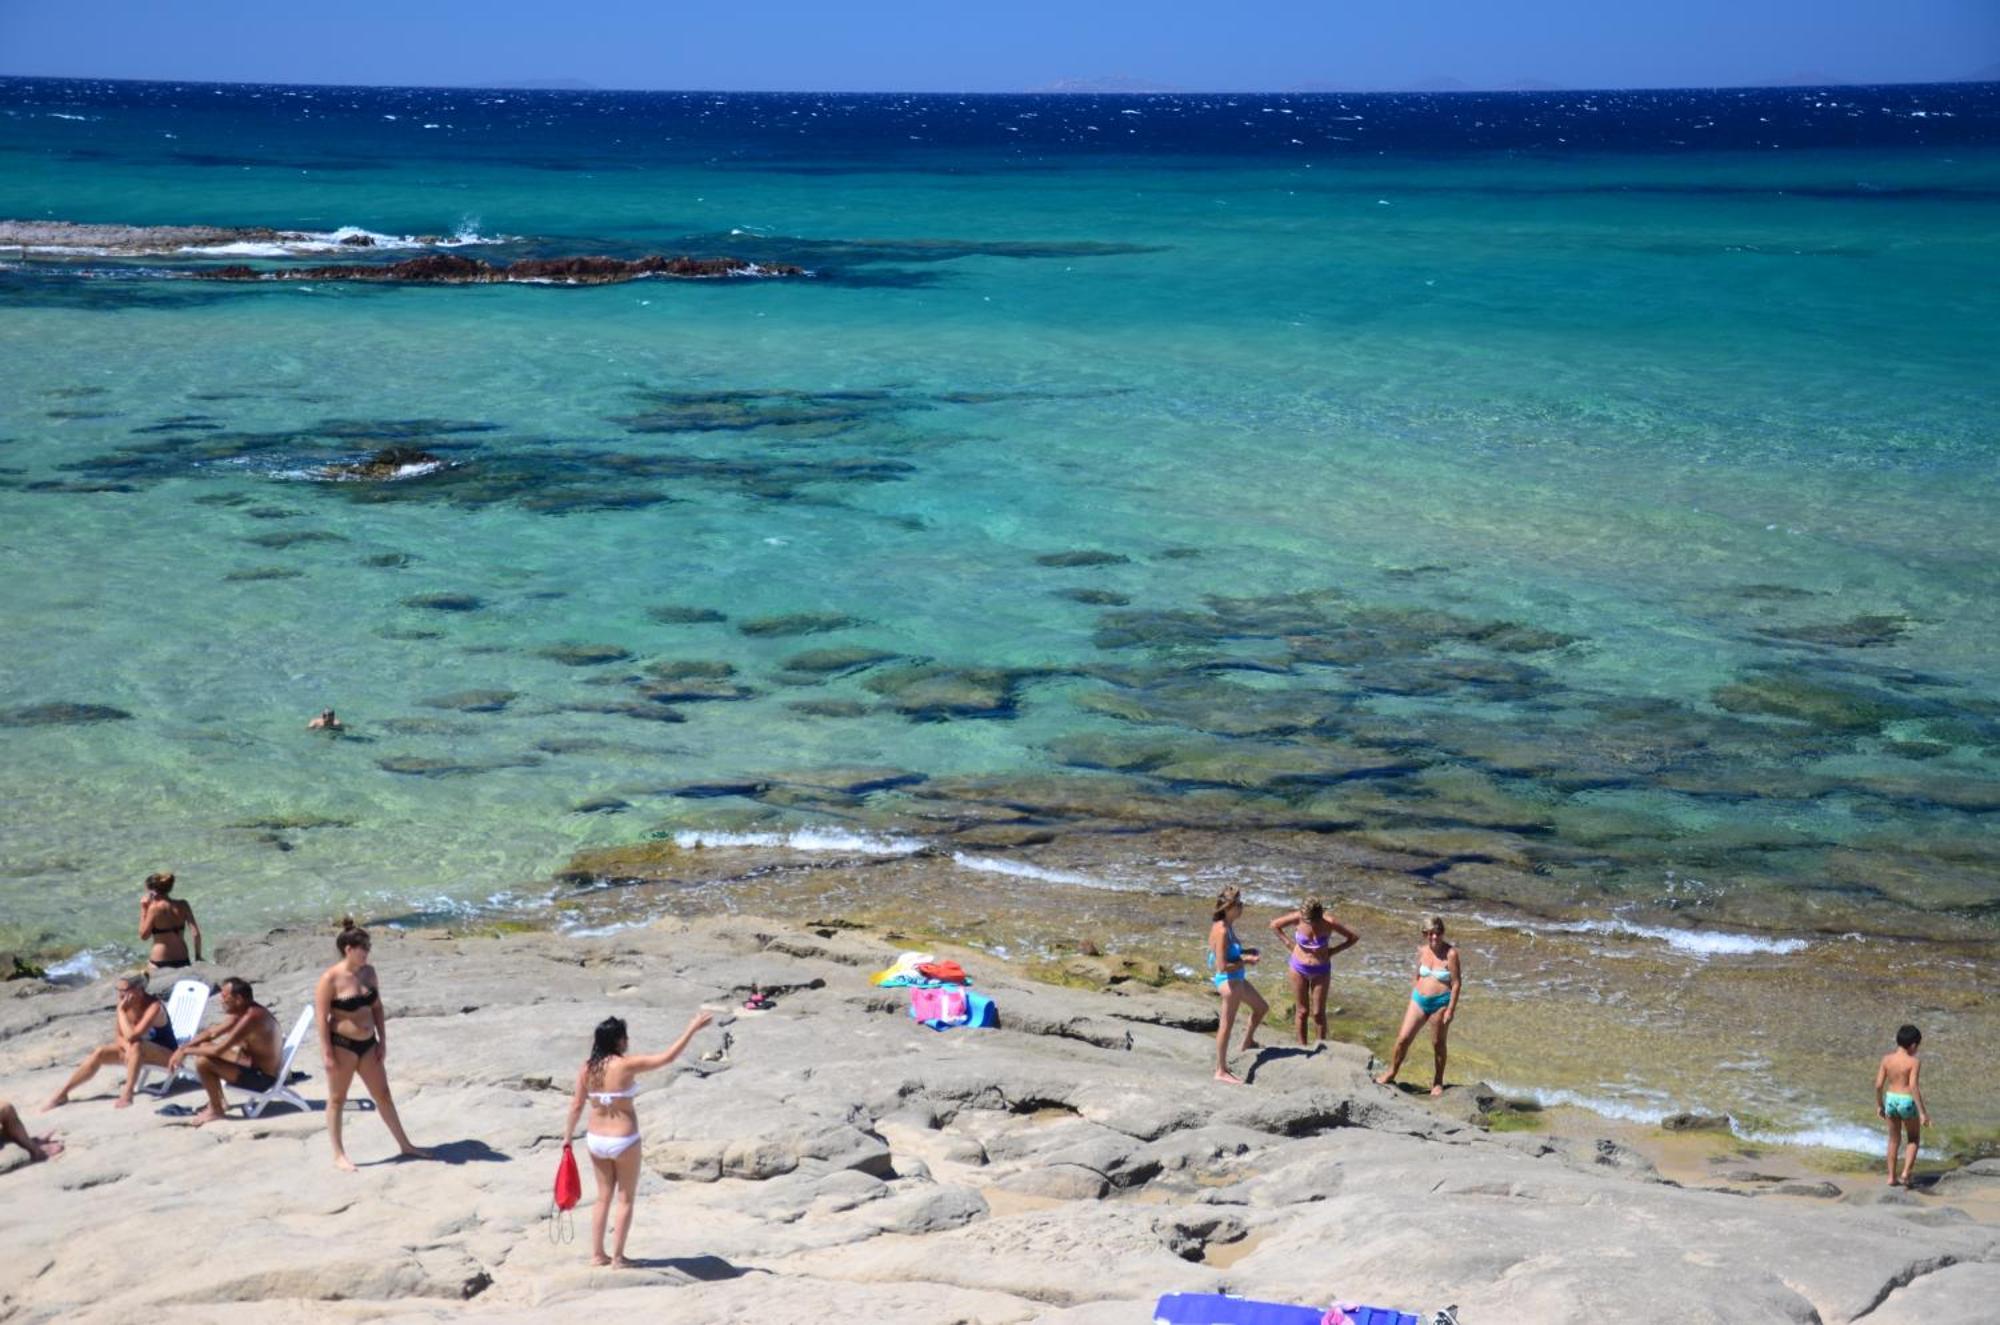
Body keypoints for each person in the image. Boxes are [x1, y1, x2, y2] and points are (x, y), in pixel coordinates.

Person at [562, 1011, 712, 1267]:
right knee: (625, 1198)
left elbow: (576, 1105)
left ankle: (597, 1255)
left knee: (602, 1198)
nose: (627, 1040)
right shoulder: (627, 1065)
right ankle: (618, 1258)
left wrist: (567, 1139)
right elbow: (668, 1057)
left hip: (596, 1139)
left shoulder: (587, 1069)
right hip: (624, 1139)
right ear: (618, 1041)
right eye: (625, 1037)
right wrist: (692, 1028)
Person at [314, 921, 429, 1170]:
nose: (367, 952)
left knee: (383, 1095)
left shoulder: (369, 973)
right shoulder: (330, 979)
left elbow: (377, 1007)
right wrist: (327, 1053)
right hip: (342, 1046)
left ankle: (405, 1145)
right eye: (363, 947)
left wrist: (382, 1040)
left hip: (368, 1045)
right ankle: (339, 1155)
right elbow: (321, 1019)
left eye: (368, 947)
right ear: (348, 949)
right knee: (337, 1099)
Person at [39, 973, 180, 1112]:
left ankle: (128, 1093)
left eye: (123, 990)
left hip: (169, 1056)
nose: (119, 995)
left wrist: (120, 1011)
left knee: (137, 1045)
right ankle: (63, 1093)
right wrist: (127, 1048)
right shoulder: (126, 1004)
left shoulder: (153, 1007)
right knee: (100, 1052)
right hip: (137, 1053)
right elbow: (119, 1037)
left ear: (139, 989)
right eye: (117, 990)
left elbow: (132, 1036)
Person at [168, 976, 280, 1126]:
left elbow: (219, 1050)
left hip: (262, 1079)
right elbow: (211, 1033)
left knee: (203, 1061)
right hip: (251, 1064)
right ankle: (219, 1101)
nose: (221, 1000)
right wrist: (182, 1048)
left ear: (238, 998)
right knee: (203, 1046)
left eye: (224, 997)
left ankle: (217, 1110)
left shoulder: (251, 1018)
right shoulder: (244, 1010)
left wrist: (186, 1051)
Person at [1375, 915, 1462, 1097]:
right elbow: (1417, 975)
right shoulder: (1422, 950)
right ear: (1424, 934)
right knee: (1403, 1039)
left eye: (1437, 933)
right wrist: (1414, 995)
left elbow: (1456, 983)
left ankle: (1438, 1081)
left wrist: (1451, 1010)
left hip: (1440, 1003)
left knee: (1438, 1043)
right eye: (1430, 934)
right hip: (1418, 1001)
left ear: (1442, 932)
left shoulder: (1451, 954)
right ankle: (1392, 1071)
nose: (1434, 937)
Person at [1270, 897, 1359, 1047]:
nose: (1309, 924)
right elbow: (1274, 925)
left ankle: (1320, 1047)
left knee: (1318, 1013)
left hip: (1321, 969)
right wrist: (1289, 944)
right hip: (1298, 968)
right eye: (1307, 920)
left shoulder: (1329, 922)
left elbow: (1353, 937)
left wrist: (1333, 951)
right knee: (1302, 1011)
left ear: (1319, 915)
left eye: (1312, 921)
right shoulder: (1298, 917)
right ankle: (1302, 1046)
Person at [1208, 887, 1268, 1085]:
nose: (1242, 907)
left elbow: (1231, 953)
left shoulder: (1227, 924)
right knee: (1226, 1026)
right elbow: (1222, 966)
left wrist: (1245, 951)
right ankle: (1220, 1070)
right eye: (1239, 904)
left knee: (1261, 1008)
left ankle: (1247, 1042)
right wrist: (1247, 961)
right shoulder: (1222, 930)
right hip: (1229, 982)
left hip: (1237, 979)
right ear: (1229, 907)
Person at [1876, 1023, 1931, 1187]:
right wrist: (1922, 1113)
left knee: (1893, 1140)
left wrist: (1880, 1105)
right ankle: (1906, 1173)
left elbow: (1878, 1085)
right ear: (1913, 1045)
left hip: (1891, 1100)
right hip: (1906, 1100)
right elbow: (1913, 1086)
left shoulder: (1887, 1059)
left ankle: (1891, 1177)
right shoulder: (1913, 1062)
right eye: (1917, 1046)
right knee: (1913, 1139)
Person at [140, 871, 201, 971]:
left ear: (152, 892)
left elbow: (143, 936)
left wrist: (143, 908)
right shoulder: (183, 904)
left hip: (160, 961)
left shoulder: (154, 908)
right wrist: (198, 956)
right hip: (183, 959)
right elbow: (196, 934)